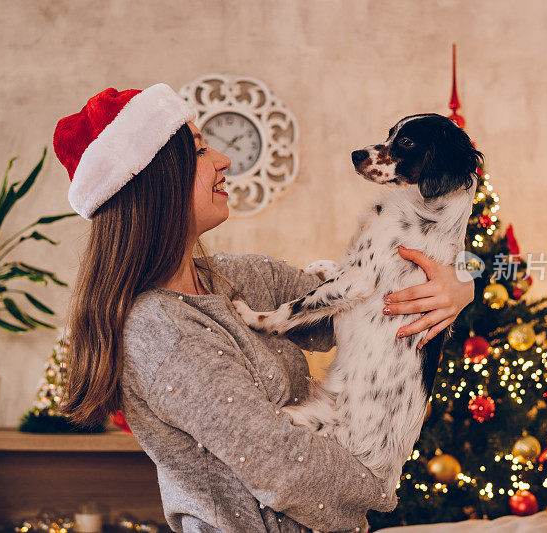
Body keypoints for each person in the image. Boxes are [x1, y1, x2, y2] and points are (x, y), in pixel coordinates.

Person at [54, 84, 475, 533]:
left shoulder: (237, 280)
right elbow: (283, 465)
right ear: (155, 182)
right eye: (199, 150)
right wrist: (377, 489)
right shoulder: (161, 332)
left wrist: (463, 283)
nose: (223, 159)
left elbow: (355, 302)